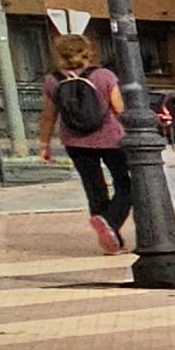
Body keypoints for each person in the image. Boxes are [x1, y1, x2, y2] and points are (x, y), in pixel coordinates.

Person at [36, 31, 130, 254]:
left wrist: (44, 144)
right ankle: (111, 221)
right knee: (126, 183)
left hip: (75, 142)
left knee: (94, 187)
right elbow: (118, 109)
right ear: (88, 51)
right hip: (111, 139)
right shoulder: (104, 76)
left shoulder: (52, 80)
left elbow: (49, 115)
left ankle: (109, 234)